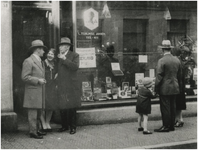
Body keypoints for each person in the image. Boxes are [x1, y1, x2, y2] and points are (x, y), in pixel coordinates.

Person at [21, 39, 47, 139]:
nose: (44, 52)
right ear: (37, 50)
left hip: (38, 91)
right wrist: (38, 80)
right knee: (33, 113)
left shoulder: (40, 61)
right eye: (42, 49)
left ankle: (37, 130)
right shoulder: (28, 61)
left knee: (38, 112)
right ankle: (33, 132)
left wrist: (42, 80)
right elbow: (24, 77)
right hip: (32, 91)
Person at [154, 40, 181, 132]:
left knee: (165, 107)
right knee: (173, 107)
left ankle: (166, 126)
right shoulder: (177, 60)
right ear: (170, 49)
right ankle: (171, 126)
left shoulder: (161, 60)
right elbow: (179, 75)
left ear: (163, 50)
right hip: (175, 86)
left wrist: (156, 87)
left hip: (165, 88)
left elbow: (159, 75)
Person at [57, 37, 81, 134]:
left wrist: (64, 59)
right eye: (60, 46)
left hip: (71, 85)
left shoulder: (74, 55)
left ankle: (73, 127)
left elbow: (75, 67)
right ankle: (64, 126)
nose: (60, 48)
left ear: (67, 47)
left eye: (62, 46)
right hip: (62, 85)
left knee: (71, 107)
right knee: (62, 106)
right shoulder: (58, 56)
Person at [40, 48, 58, 132]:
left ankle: (47, 122)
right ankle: (43, 123)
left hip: (52, 87)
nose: (50, 55)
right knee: (42, 107)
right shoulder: (42, 63)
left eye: (52, 54)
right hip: (43, 86)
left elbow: (58, 75)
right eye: (49, 54)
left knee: (50, 106)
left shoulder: (55, 65)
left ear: (54, 56)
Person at [174, 46, 190, 127]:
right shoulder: (182, 62)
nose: (186, 55)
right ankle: (180, 119)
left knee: (177, 104)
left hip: (178, 86)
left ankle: (178, 120)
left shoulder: (178, 61)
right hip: (181, 86)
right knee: (179, 104)